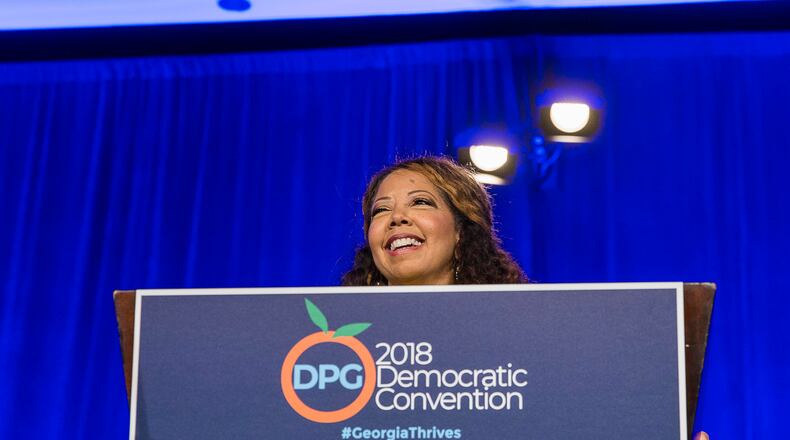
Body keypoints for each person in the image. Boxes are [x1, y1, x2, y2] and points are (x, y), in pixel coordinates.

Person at [342, 155, 710, 440]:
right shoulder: (334, 353)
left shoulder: (532, 346)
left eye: (420, 202)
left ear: (460, 231)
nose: (397, 218)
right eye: (381, 210)